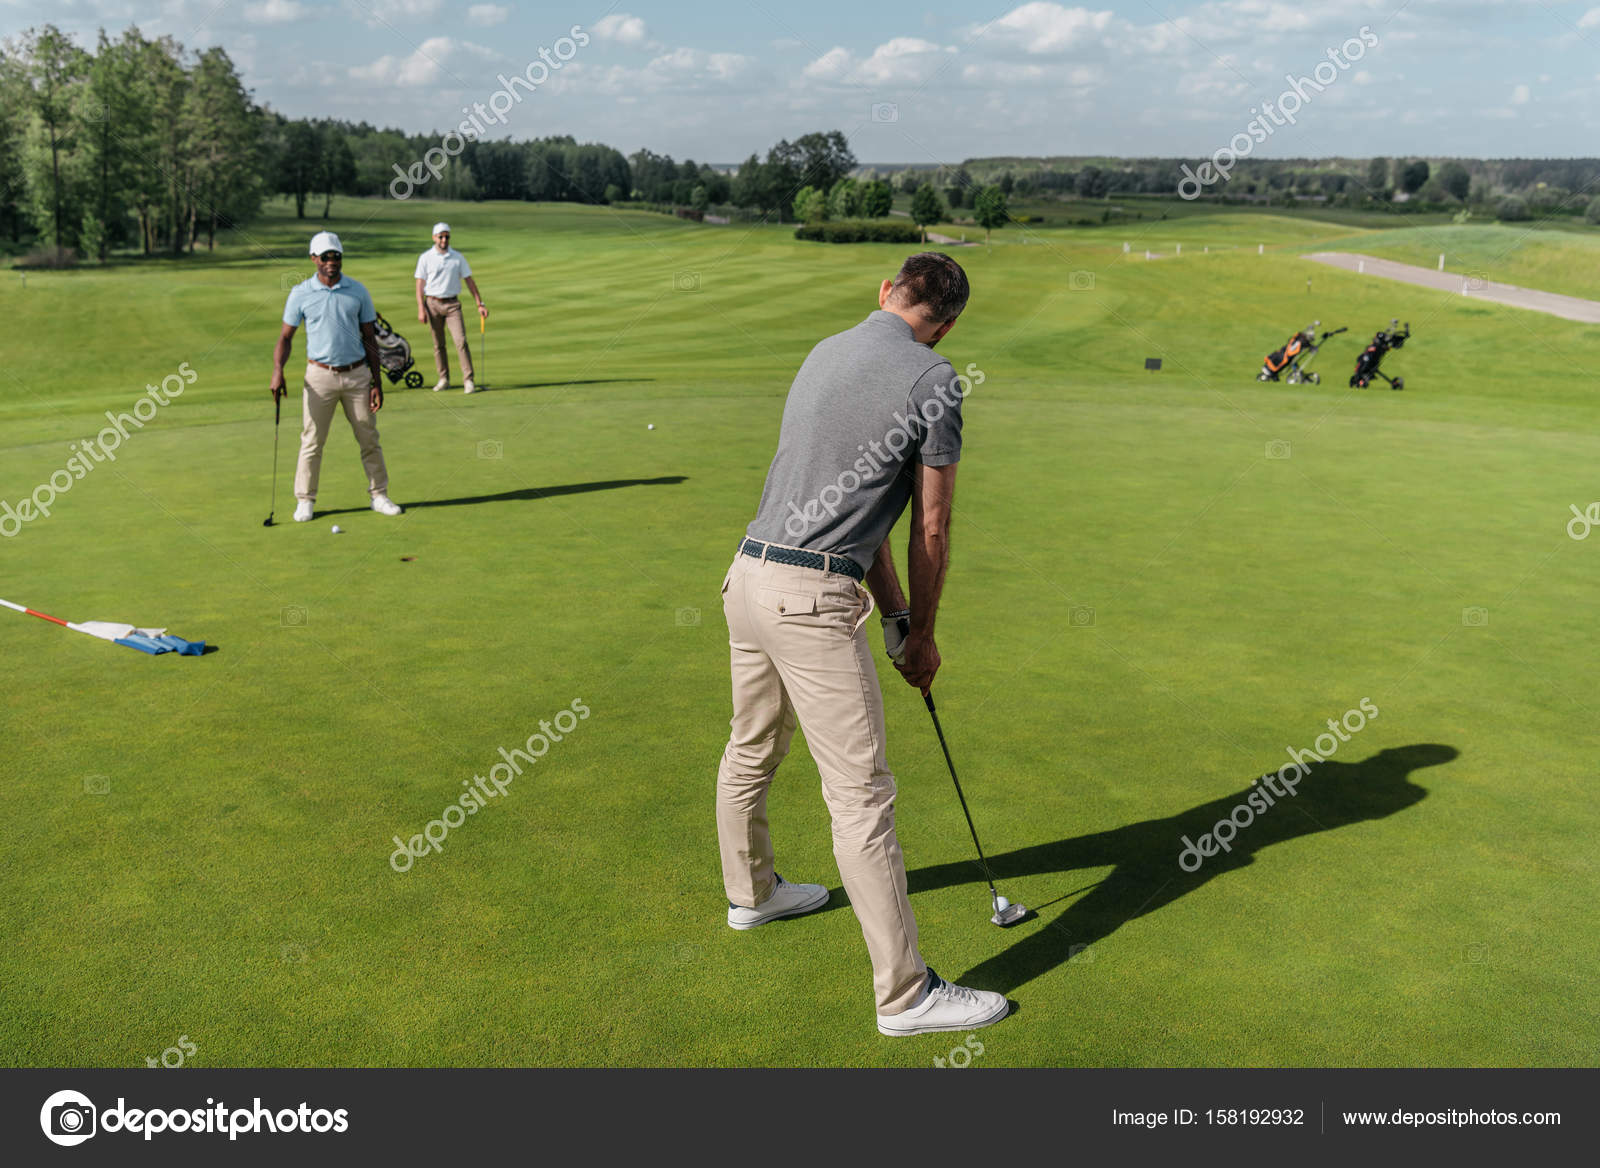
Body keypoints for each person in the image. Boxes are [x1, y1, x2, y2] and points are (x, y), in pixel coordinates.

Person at [716, 251, 1009, 1037]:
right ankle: (906, 996)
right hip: (811, 600)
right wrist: (923, 633)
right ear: (946, 324)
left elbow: (860, 508)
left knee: (750, 749)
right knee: (861, 798)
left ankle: (753, 896)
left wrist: (893, 615)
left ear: (886, 294)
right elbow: (931, 526)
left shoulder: (825, 350)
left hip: (747, 578)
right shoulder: (935, 378)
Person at [270, 231, 403, 520]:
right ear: (313, 259)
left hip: (356, 376)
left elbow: (370, 338)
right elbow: (285, 337)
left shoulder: (358, 291)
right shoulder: (301, 293)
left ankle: (379, 495)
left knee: (369, 437)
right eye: (326, 256)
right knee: (312, 441)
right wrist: (278, 371)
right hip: (319, 376)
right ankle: (305, 499)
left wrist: (376, 382)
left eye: (336, 256)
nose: (332, 261)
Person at [414, 222, 488, 394]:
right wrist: (420, 308)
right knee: (438, 344)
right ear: (434, 238)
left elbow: (469, 280)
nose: (444, 239)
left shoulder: (457, 257)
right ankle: (443, 379)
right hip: (432, 304)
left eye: (447, 236)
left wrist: (480, 303)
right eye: (440, 236)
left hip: (452, 305)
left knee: (461, 341)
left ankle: (468, 380)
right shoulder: (425, 257)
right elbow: (419, 284)